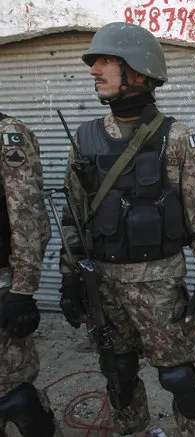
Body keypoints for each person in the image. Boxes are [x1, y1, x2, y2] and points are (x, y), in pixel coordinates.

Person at [58, 22, 195, 437]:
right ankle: (132, 431)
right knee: (120, 372)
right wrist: (68, 280)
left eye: (107, 61)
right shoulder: (86, 138)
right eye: (94, 62)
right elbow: (72, 216)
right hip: (104, 282)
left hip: (160, 282)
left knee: (178, 378)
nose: (95, 70)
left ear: (140, 72)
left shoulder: (180, 140)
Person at [0, 113, 60, 436]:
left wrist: (22, 290)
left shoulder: (8, 134)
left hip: (3, 279)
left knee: (10, 388)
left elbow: (27, 214)